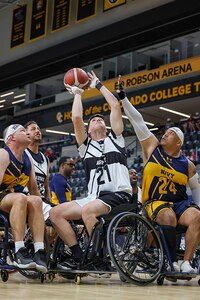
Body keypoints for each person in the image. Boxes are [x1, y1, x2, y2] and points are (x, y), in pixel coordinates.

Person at [50, 70, 132, 271]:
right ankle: (80, 255)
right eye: (93, 119)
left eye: (100, 119)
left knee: (88, 210)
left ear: (106, 125)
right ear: (88, 129)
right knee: (55, 213)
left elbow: (114, 105)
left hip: (118, 194)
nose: (97, 120)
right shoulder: (85, 147)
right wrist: (78, 93)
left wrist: (97, 84)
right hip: (95, 197)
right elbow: (77, 117)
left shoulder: (117, 139)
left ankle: (99, 258)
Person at [117, 76, 200, 273]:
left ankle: (186, 262)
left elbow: (196, 190)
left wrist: (197, 205)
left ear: (178, 142)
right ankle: (169, 263)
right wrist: (123, 98)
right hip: (154, 202)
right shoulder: (152, 148)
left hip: (179, 204)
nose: (165, 134)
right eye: (165, 132)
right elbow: (138, 121)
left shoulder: (188, 165)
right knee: (168, 216)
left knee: (198, 216)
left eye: (170, 133)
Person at [0, 124, 47, 272]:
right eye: (22, 130)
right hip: (3, 197)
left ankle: (39, 251)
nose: (27, 132)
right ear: (11, 137)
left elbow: (34, 190)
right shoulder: (3, 154)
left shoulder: (28, 159)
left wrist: (43, 209)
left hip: (17, 200)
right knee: (21, 198)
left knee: (36, 200)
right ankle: (19, 250)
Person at [24, 121, 52, 222]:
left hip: (43, 200)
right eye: (33, 129)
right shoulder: (23, 154)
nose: (37, 131)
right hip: (29, 198)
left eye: (38, 129)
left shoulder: (45, 159)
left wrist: (49, 199)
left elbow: (46, 186)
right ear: (26, 134)